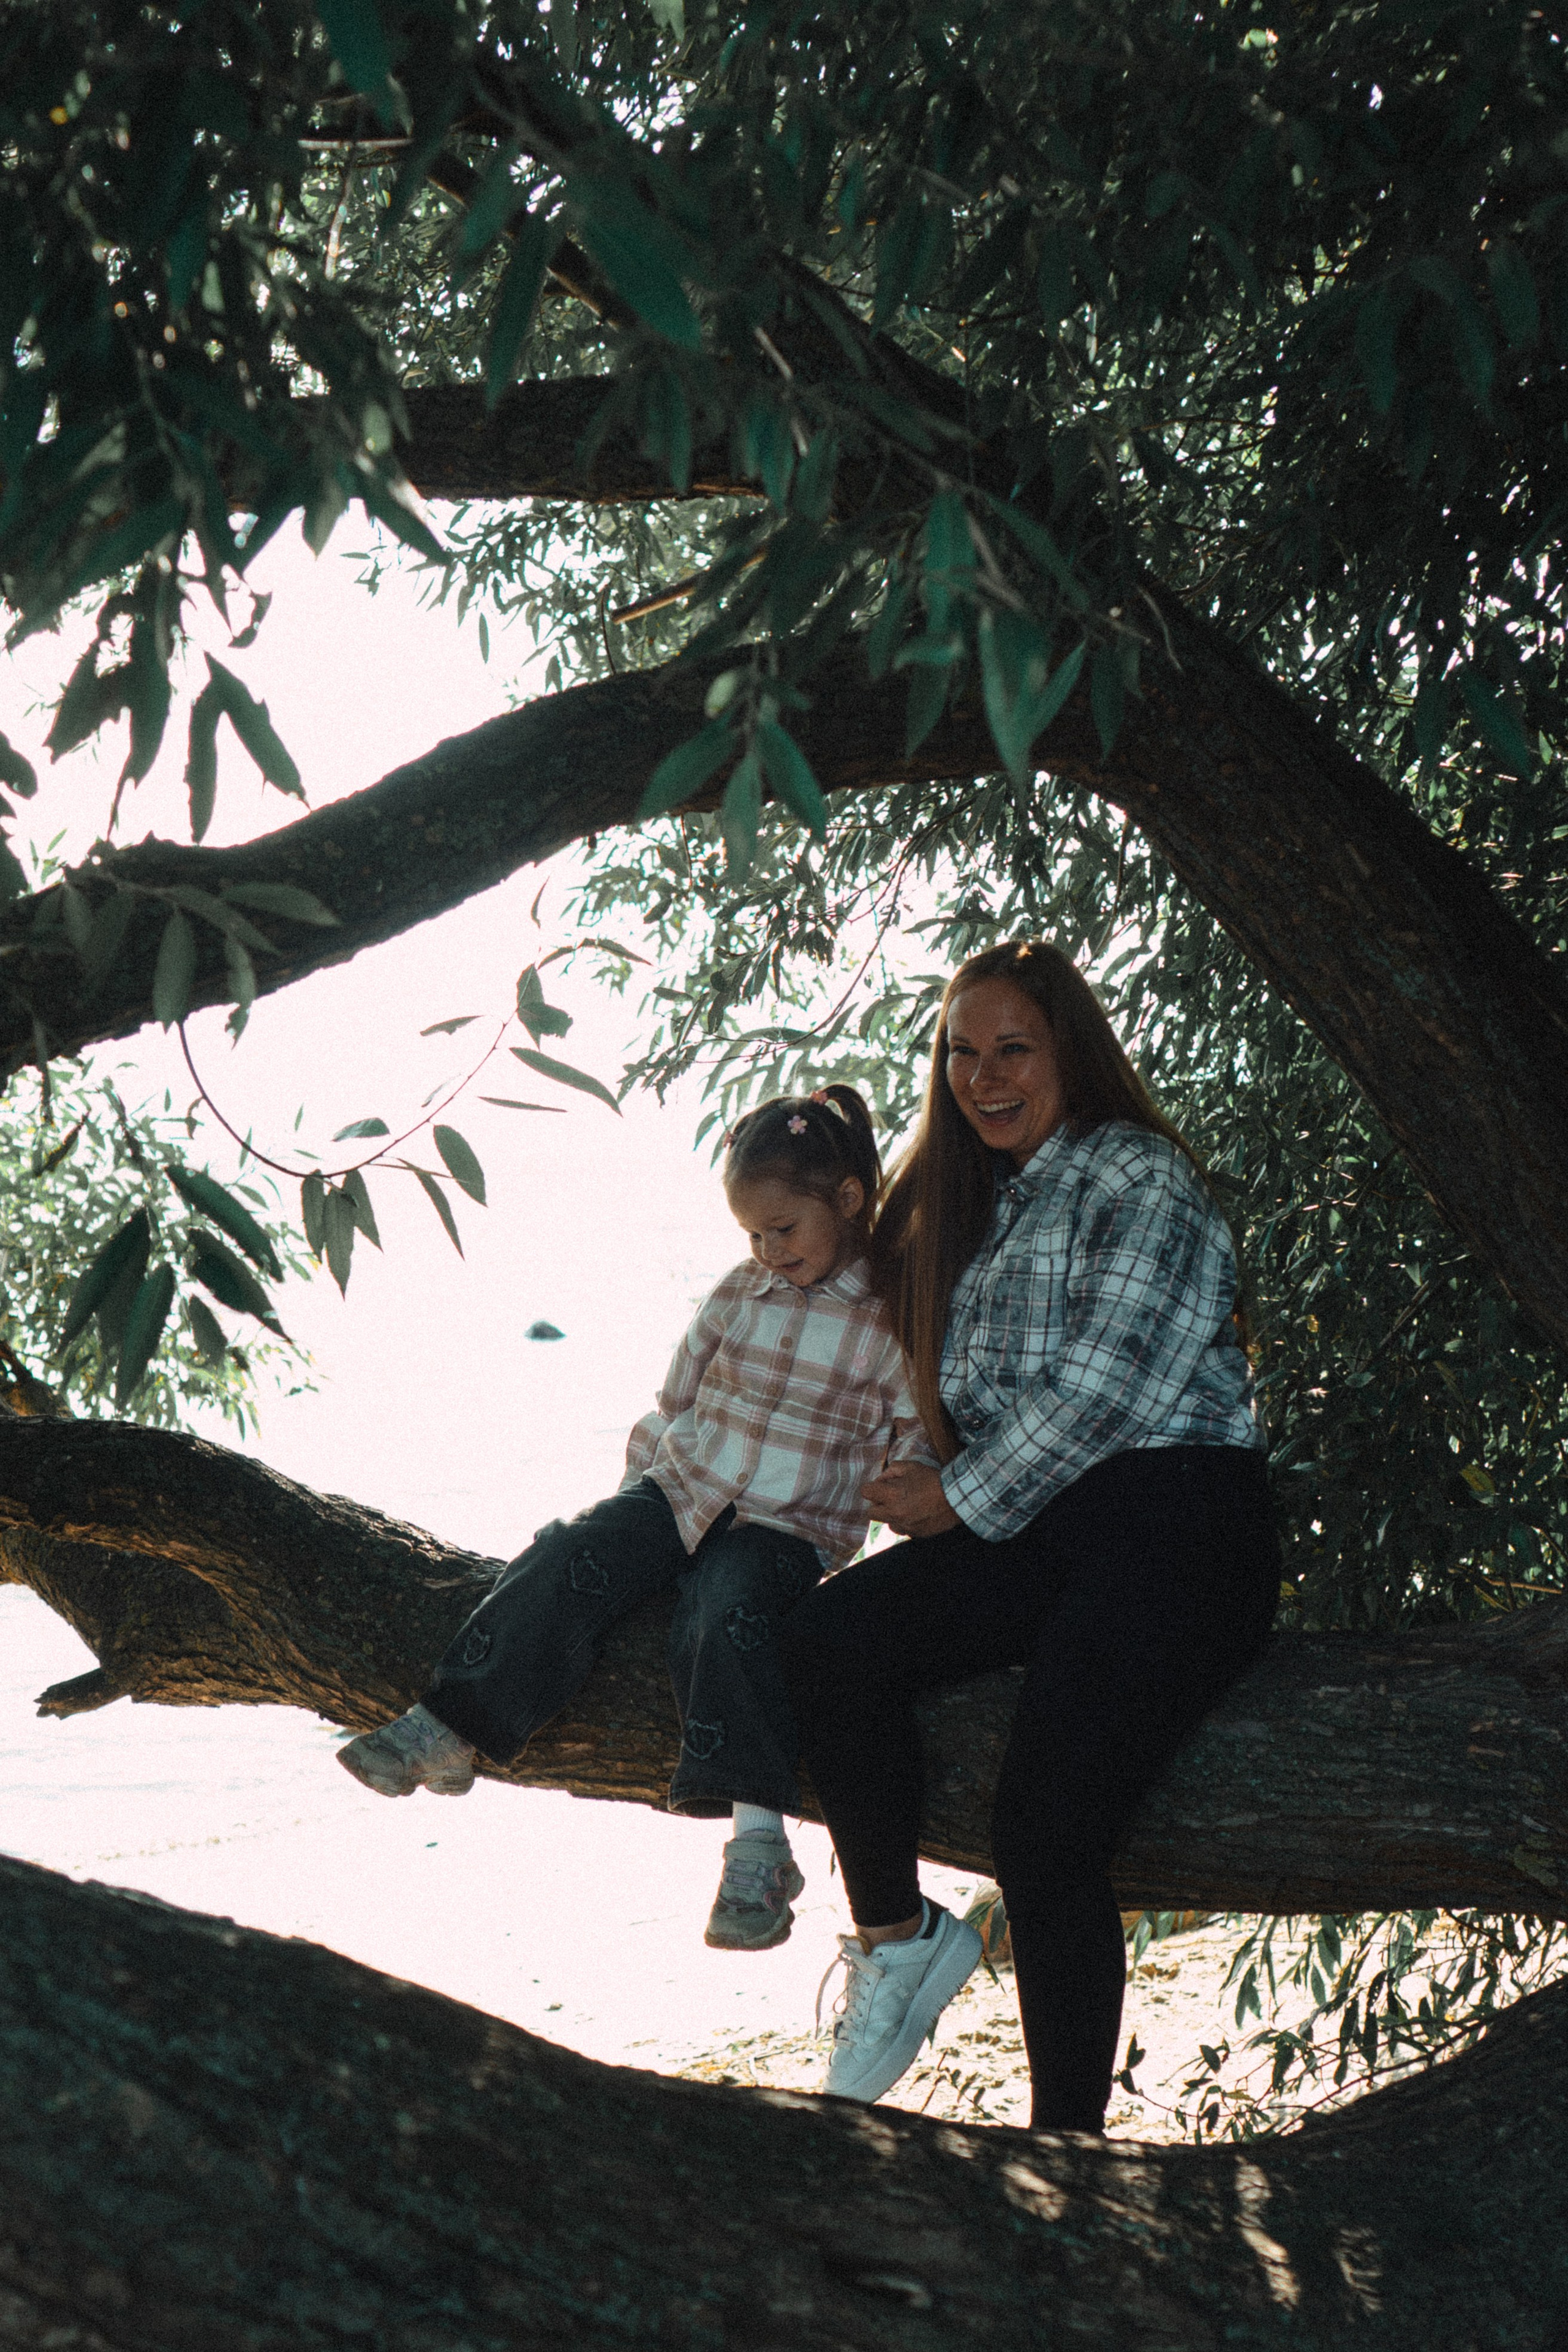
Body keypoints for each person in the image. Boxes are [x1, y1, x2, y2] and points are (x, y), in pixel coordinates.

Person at [778, 941, 1279, 2130]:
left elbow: (1104, 1388)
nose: (982, 1076)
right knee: (827, 1638)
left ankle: (1066, 2156)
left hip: (1177, 1522)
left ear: (1068, 1051)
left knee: (1042, 1828)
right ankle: (897, 1941)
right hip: (1044, 1523)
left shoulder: (1134, 1174)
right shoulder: (982, 1205)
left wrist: (955, 1500)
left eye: (1012, 1049)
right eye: (959, 1052)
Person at [338, 1087, 933, 1953]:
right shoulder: (741, 1291)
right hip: (682, 1489)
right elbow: (680, 1392)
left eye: (784, 1231)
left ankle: (760, 1849)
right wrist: (640, 1495)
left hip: (785, 1528)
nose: (769, 1251)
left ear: (846, 1201)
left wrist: (910, 1482)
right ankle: (451, 1726)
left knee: (726, 1616)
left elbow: (915, 1427)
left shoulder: (890, 1317)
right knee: (574, 1552)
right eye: (754, 1236)